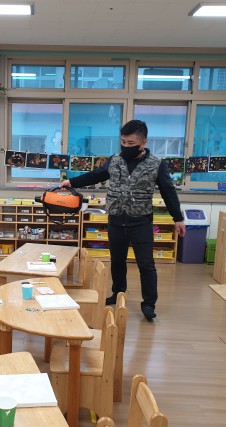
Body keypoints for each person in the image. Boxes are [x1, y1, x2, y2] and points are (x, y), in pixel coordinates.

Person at [60, 120, 186, 320]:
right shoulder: (114, 159)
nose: (126, 146)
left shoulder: (156, 163)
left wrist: (178, 218)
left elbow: (168, 191)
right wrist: (71, 182)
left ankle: (149, 304)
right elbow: (97, 175)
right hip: (116, 220)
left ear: (143, 142)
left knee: (146, 264)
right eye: (123, 142)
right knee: (117, 261)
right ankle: (118, 293)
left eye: (131, 143)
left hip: (141, 221)